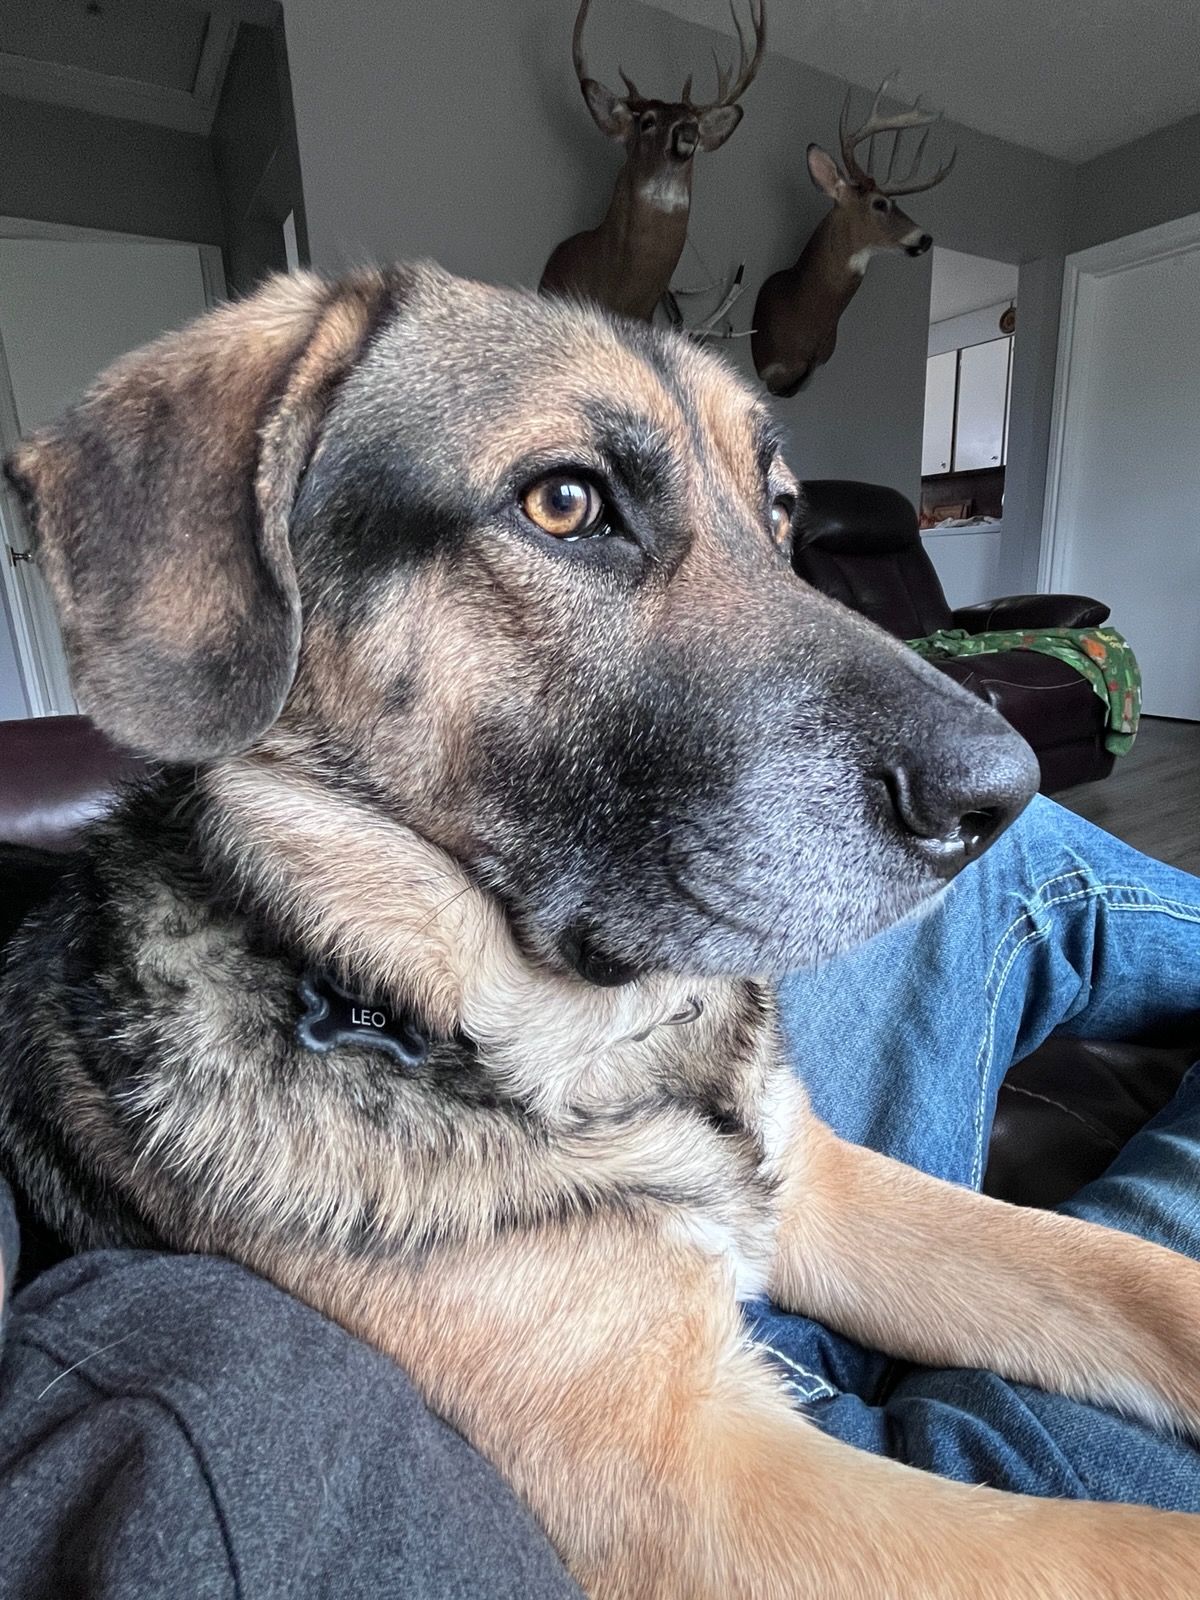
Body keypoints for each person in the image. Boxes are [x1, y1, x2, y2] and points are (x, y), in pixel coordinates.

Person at [1, 795, 1197, 1596]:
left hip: (686, 1306)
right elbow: (668, 1511)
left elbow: (815, 1197)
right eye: (566, 504)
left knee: (1017, 841)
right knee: (1017, 866)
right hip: (747, 1487)